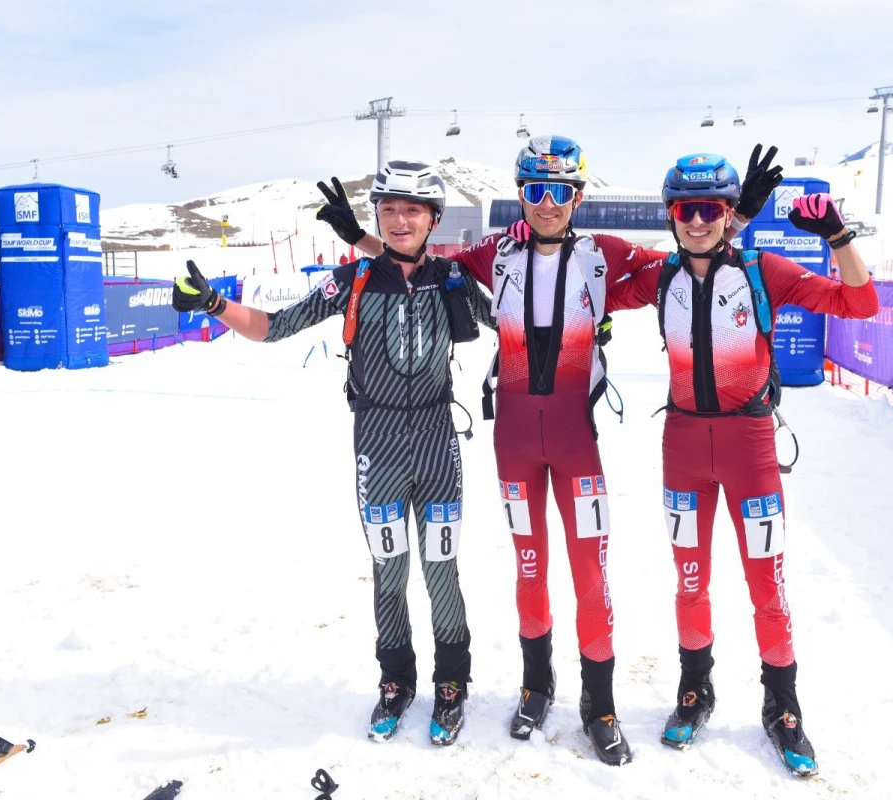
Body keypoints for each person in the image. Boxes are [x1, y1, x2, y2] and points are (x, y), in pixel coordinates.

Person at [327, 136, 784, 766]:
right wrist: (361, 237)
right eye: (536, 191)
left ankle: (600, 705)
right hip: (514, 439)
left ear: (577, 196)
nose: (547, 204)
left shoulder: (606, 254)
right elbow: (414, 260)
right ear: (521, 193)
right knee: (530, 568)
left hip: (576, 444)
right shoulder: (496, 253)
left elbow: (691, 256)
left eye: (560, 192)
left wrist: (739, 219)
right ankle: (536, 688)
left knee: (590, 574)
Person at [174, 161, 493, 747]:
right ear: (378, 216)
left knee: (442, 571)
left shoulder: (453, 279)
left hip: (437, 445)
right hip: (377, 446)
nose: (400, 220)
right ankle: (395, 683)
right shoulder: (353, 280)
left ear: (433, 219)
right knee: (389, 573)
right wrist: (215, 304)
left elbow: (518, 325)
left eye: (413, 210)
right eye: (389, 210)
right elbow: (273, 326)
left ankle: (452, 685)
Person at [606, 154, 878, 776]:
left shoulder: (765, 268)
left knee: (767, 582)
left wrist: (837, 235)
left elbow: (859, 304)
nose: (696, 221)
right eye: (685, 210)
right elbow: (591, 288)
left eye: (710, 210)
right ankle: (695, 689)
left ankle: (783, 705)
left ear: (729, 214)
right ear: (671, 216)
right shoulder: (664, 273)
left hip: (749, 446)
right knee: (690, 578)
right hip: (682, 445)